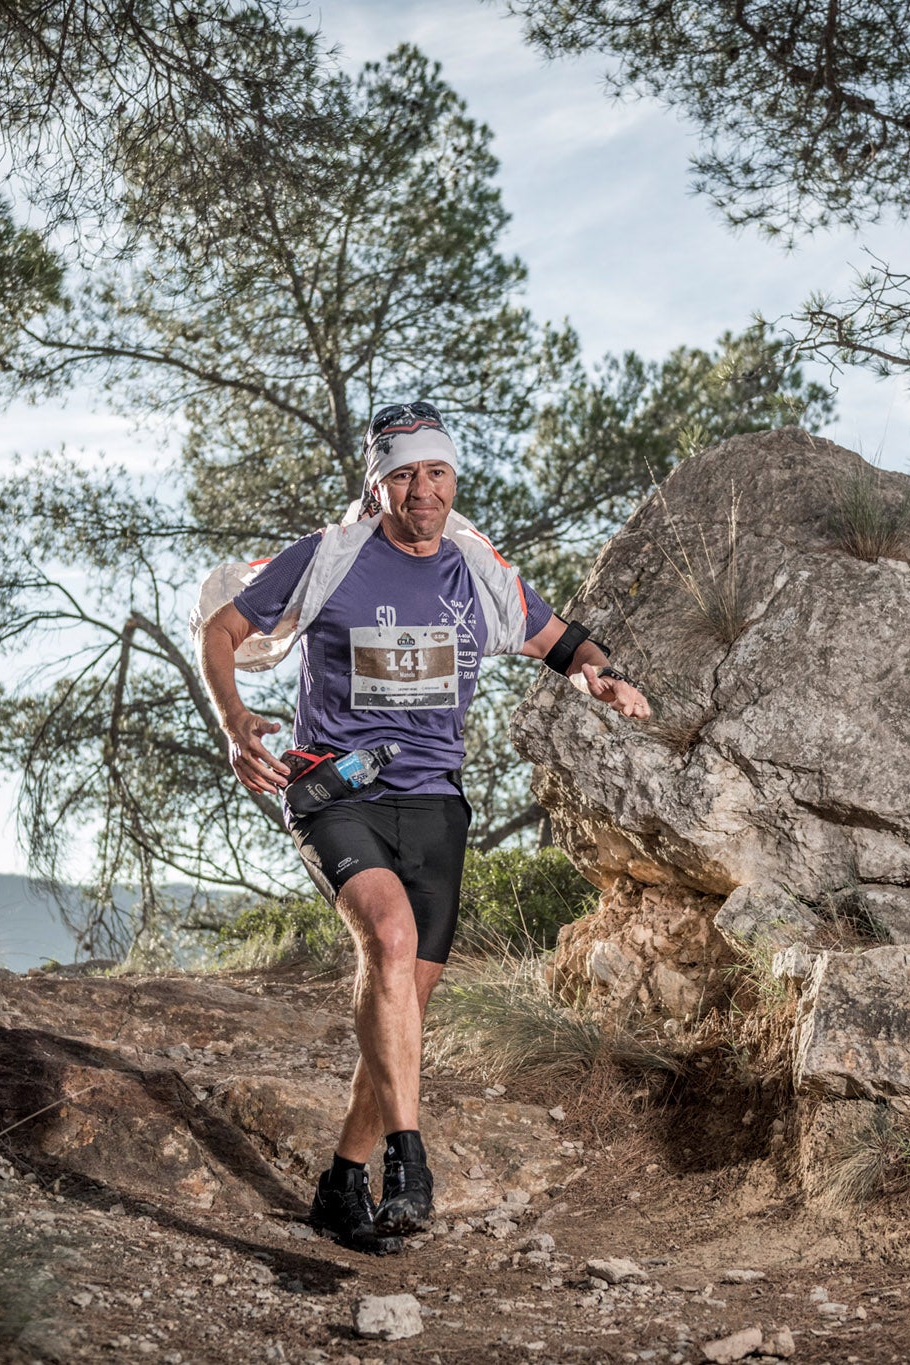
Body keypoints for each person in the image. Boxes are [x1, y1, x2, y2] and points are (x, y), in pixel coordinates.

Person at [195, 402, 649, 1252]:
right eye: (403, 473)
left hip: (436, 804)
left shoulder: (480, 573)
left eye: (435, 471)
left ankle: (339, 1182)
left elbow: (566, 644)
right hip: (337, 792)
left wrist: (604, 679)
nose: (422, 489)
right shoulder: (328, 560)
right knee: (391, 941)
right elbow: (221, 629)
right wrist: (233, 720)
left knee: (402, 1005)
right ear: (378, 485)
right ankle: (408, 1159)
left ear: (453, 479)